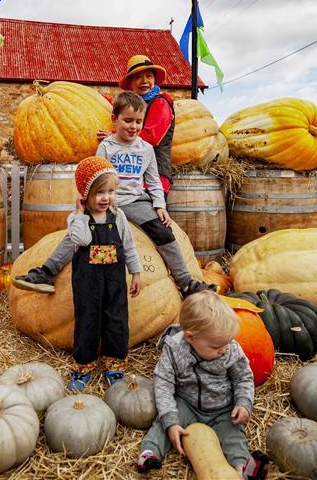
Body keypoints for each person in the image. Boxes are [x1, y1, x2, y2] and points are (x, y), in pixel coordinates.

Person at [13, 92, 215, 297]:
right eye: (127, 120)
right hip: (108, 202)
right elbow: (96, 176)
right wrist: (86, 201)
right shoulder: (106, 147)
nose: (133, 126)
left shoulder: (146, 149)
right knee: (79, 231)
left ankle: (186, 282)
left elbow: (153, 181)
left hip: (136, 201)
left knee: (164, 234)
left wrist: (160, 206)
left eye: (138, 122)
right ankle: (46, 273)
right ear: (114, 120)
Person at [136, 291, 257, 479]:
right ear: (190, 338)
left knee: (234, 435)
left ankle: (243, 467)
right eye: (216, 346)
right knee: (164, 422)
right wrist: (171, 422)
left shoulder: (230, 348)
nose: (223, 350)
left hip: (222, 408)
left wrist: (243, 403)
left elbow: (243, 378)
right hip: (187, 404)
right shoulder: (175, 349)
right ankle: (150, 453)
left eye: (226, 343)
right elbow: (164, 383)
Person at [63, 156, 143, 391]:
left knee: (116, 321)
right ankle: (84, 366)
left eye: (110, 191)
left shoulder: (118, 217)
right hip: (87, 283)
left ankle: (114, 365)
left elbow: (128, 246)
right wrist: (79, 214)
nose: (106, 197)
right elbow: (82, 239)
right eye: (99, 192)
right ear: (84, 194)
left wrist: (136, 272)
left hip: (114, 282)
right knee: (87, 321)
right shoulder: (77, 220)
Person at [98, 54, 176, 198]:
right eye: (138, 77)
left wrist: (113, 136)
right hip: (132, 179)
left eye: (149, 76)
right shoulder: (136, 106)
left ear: (154, 80)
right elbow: (115, 107)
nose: (144, 81)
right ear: (131, 83)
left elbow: (151, 137)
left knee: (153, 218)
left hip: (154, 180)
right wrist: (95, 98)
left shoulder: (161, 102)